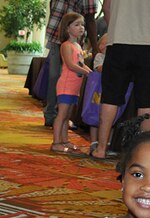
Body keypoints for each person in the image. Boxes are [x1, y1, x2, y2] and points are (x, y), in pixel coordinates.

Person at [91, 0, 150, 159]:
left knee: (110, 98)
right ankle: (144, 154)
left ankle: (101, 148)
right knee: (147, 102)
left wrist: (116, 29)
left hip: (118, 42)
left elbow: (106, 7)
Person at [43, 0, 99, 128]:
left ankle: (65, 116)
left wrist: (95, 47)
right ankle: (52, 115)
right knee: (54, 76)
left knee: (70, 78)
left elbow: (90, 19)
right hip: (55, 36)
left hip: (74, 41)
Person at [52, 13, 92, 153]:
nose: (81, 27)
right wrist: (87, 72)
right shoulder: (66, 45)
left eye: (82, 24)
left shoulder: (78, 46)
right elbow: (70, 65)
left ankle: (64, 140)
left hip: (75, 87)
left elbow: (80, 63)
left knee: (68, 116)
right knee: (62, 115)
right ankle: (56, 142)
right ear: (67, 29)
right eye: (76, 24)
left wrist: (91, 72)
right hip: (66, 85)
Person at [88, 34, 108, 150]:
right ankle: (93, 141)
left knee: (109, 118)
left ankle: (107, 142)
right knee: (94, 116)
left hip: (107, 91)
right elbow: (99, 68)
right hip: (97, 91)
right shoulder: (99, 56)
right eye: (103, 43)